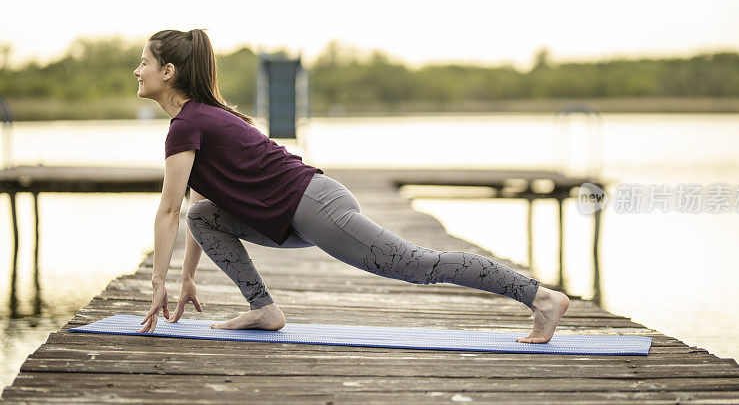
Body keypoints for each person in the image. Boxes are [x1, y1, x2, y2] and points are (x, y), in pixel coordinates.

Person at [133, 28, 570, 343]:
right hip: (291, 216)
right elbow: (197, 207)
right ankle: (263, 308)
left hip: (314, 206)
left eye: (144, 63)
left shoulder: (188, 123)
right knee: (203, 217)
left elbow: (166, 211)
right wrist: (186, 277)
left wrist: (158, 283)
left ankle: (539, 297)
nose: (138, 70)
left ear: (168, 71)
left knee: (419, 265)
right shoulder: (196, 122)